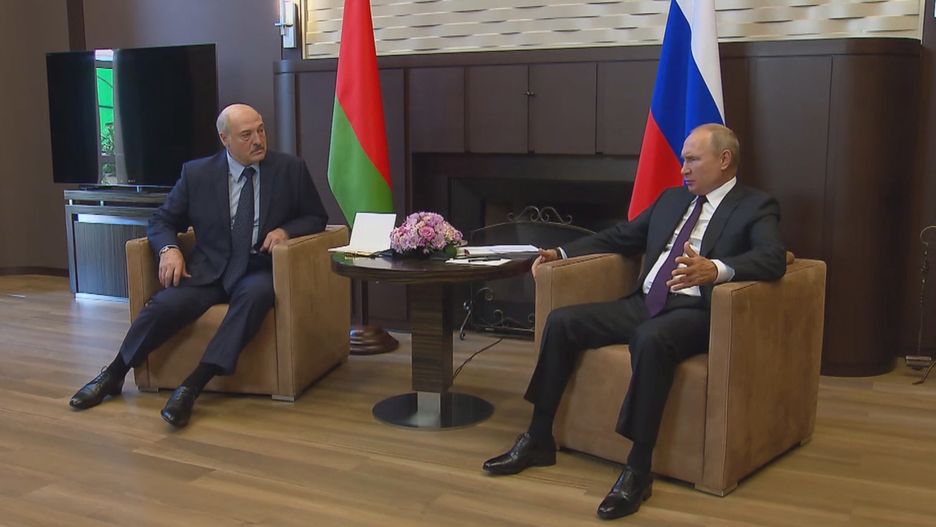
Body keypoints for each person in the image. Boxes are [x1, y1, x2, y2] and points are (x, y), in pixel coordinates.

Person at [482, 123, 786, 519]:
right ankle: (539, 437)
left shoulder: (755, 205)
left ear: (724, 159)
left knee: (650, 339)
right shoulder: (672, 200)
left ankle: (638, 469)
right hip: (644, 302)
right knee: (562, 322)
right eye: (683, 160)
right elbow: (621, 236)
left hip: (696, 312)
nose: (683, 169)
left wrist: (717, 269)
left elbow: (773, 258)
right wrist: (561, 252)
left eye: (692, 160)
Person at [69, 103, 328, 427]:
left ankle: (192, 385)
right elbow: (162, 220)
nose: (258, 140)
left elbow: (316, 216)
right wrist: (169, 250)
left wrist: (285, 231)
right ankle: (114, 373)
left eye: (261, 130)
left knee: (257, 296)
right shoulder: (197, 174)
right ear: (225, 139)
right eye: (246, 135)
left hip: (257, 267)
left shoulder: (290, 169)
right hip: (208, 270)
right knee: (163, 305)